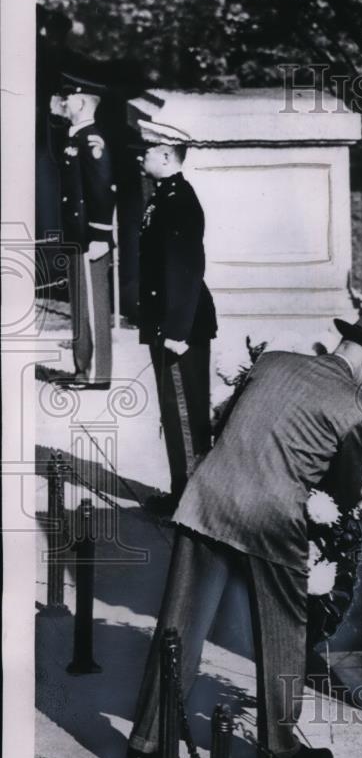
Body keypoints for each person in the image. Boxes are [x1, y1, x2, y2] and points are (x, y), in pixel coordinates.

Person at [126, 310, 362, 758]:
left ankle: (145, 742)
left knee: (179, 626)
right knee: (284, 629)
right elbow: (344, 492)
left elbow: (226, 423)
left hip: (210, 497)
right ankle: (277, 745)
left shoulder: (271, 363)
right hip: (273, 520)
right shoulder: (358, 410)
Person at [134, 121, 217, 515]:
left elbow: (188, 267)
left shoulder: (179, 199)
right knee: (174, 409)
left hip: (179, 327)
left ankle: (190, 504)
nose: (141, 155)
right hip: (167, 322)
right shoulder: (163, 196)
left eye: (147, 150)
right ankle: (182, 490)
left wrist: (178, 330)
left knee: (185, 413)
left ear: (166, 155)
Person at [50, 71, 116, 389]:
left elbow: (102, 190)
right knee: (81, 306)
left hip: (91, 238)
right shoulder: (75, 136)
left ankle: (95, 374)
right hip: (79, 236)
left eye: (68, 98)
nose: (64, 103)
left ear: (80, 101)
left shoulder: (92, 140)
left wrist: (101, 235)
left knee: (92, 307)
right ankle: (82, 368)